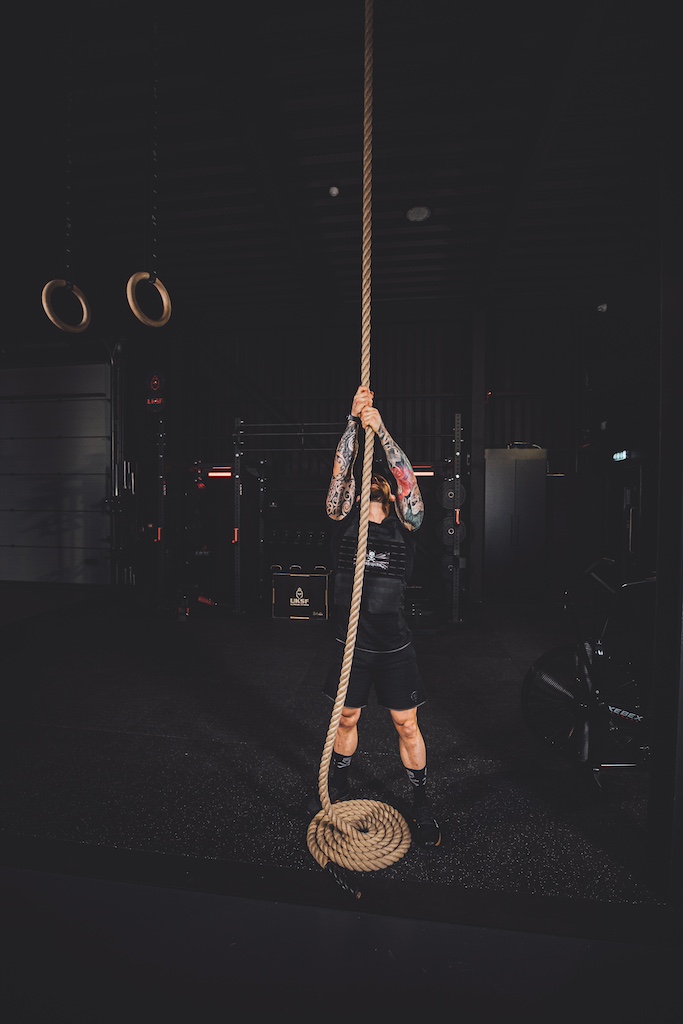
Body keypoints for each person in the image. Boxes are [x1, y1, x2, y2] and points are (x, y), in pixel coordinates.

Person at [309, 385, 441, 848]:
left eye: (374, 488)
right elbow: (338, 475)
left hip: (393, 647)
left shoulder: (406, 524)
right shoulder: (343, 518)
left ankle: (421, 800)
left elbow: (409, 482)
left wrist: (379, 428)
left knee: (407, 724)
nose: (367, 491)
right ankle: (339, 785)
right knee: (345, 720)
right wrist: (351, 420)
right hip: (353, 647)